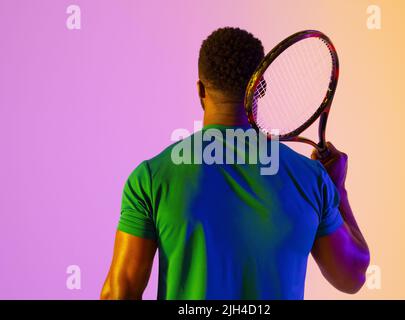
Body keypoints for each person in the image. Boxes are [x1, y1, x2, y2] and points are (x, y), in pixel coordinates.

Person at [100, 27, 370, 300]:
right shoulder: (311, 179)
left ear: (200, 90)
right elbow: (352, 277)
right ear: (261, 88)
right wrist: (338, 189)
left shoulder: (151, 178)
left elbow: (118, 293)